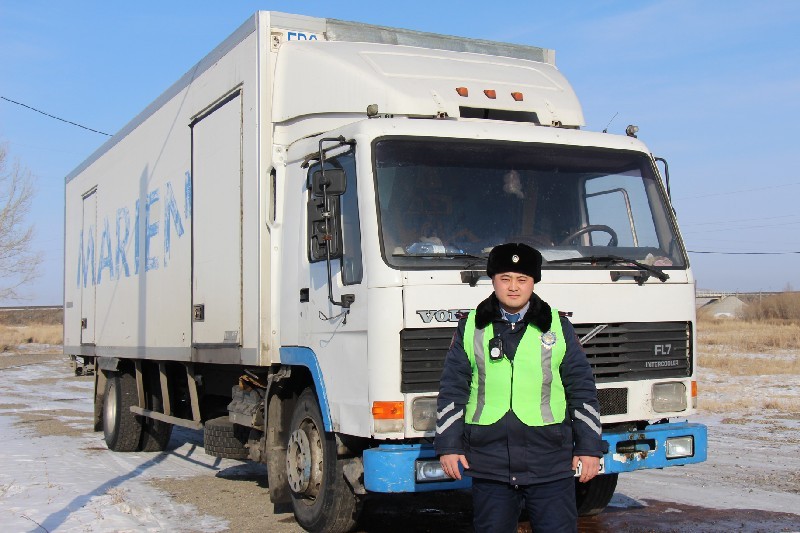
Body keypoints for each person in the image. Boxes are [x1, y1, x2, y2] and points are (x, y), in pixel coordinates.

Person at [435, 242, 603, 532]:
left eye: (522, 279)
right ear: (493, 280)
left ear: (533, 282)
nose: (513, 287)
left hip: (550, 461)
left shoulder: (558, 326)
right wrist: (448, 445)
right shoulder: (471, 326)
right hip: (491, 463)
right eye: (505, 278)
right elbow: (452, 389)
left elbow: (582, 390)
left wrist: (589, 447)